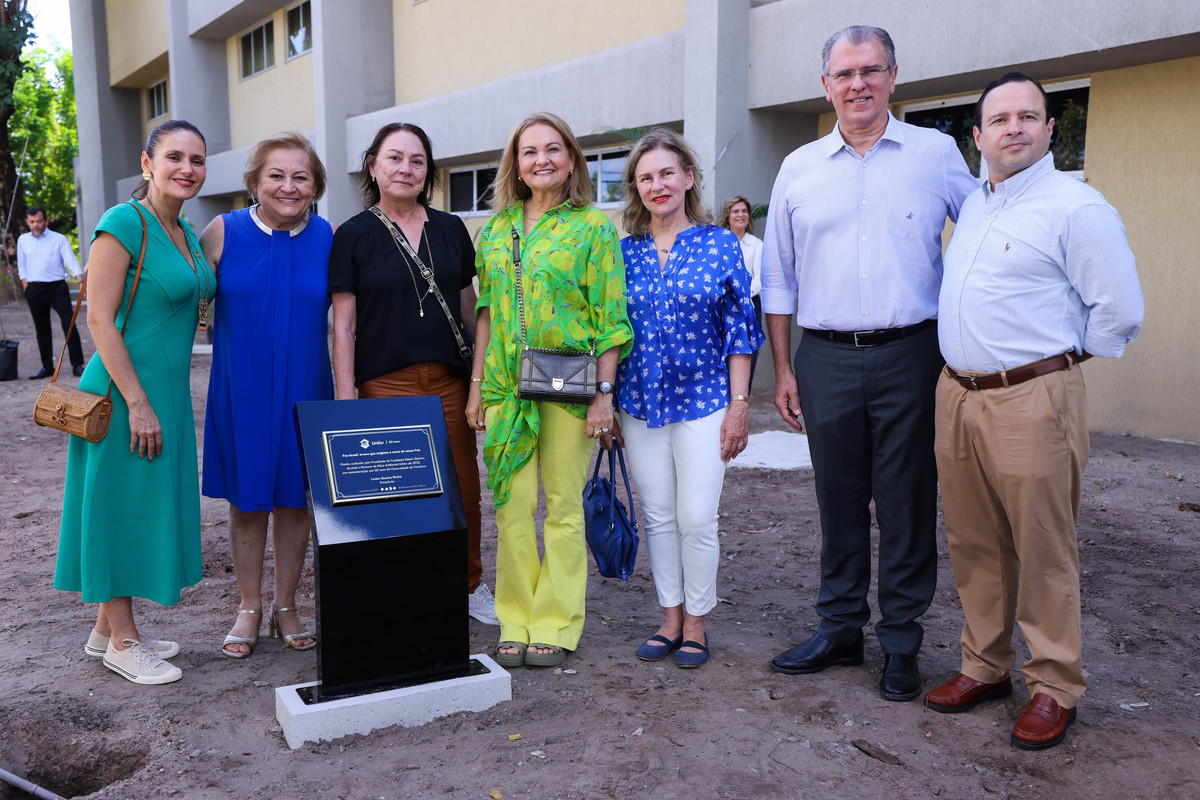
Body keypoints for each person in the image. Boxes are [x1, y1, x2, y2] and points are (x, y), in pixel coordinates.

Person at [924, 73, 1143, 749]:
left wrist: (1055, 368)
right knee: (974, 542)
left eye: (1027, 116)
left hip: (1033, 396)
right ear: (978, 136)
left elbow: (1119, 311)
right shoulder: (977, 205)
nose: (1012, 128)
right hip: (957, 394)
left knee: (1043, 546)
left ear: (1049, 130)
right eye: (999, 119)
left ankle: (1054, 684)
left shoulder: (1076, 207)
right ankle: (985, 666)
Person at [761, 25, 977, 700]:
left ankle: (903, 642)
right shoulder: (798, 168)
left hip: (913, 355)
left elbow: (984, 236)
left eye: (871, 70)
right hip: (823, 358)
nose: (859, 84)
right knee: (839, 500)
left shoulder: (936, 154)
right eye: (845, 73)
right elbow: (778, 277)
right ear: (825, 85)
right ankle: (840, 629)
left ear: (893, 77)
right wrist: (784, 369)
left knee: (908, 500)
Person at [465, 112, 632, 668]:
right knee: (511, 506)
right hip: (504, 388)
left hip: (569, 387)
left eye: (553, 149)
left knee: (562, 507)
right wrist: (476, 387)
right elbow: (486, 314)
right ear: (516, 164)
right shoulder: (496, 229)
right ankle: (514, 618)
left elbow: (611, 318)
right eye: (530, 151)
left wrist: (604, 395)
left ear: (571, 159)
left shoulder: (593, 227)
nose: (542, 159)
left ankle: (555, 621)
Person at [55, 119, 215, 685]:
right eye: (174, 157)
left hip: (163, 393)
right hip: (123, 393)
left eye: (197, 160)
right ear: (147, 163)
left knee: (138, 505)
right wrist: (138, 403)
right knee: (118, 509)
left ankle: (106, 632)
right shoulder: (124, 222)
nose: (187, 169)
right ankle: (124, 643)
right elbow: (99, 320)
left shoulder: (185, 231)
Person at [329, 122, 497, 627]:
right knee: (395, 496)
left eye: (417, 160)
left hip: (449, 383)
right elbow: (344, 326)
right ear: (373, 166)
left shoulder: (451, 229)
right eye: (395, 158)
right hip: (384, 385)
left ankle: (469, 583)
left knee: (463, 492)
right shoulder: (352, 234)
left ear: (428, 171)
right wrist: (345, 398)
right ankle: (403, 589)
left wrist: (481, 381)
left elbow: (471, 311)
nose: (406, 168)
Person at [613, 130, 763, 669]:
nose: (657, 185)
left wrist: (740, 405)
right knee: (657, 515)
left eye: (667, 173)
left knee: (696, 517)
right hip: (639, 402)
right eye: (646, 177)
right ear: (636, 187)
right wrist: (605, 400)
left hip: (705, 400)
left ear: (689, 178)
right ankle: (670, 617)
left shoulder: (720, 244)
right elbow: (611, 331)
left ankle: (697, 621)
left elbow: (740, 331)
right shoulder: (623, 252)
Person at [200, 132, 333, 657]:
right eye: (276, 175)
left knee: (295, 499)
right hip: (242, 388)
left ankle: (287, 606)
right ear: (255, 181)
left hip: (307, 386)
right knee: (248, 498)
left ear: (316, 185)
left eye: (301, 176)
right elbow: (184, 297)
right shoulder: (222, 231)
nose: (288, 186)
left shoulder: (328, 236)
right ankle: (249, 606)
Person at [17, 205, 85, 378]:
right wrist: (26, 285)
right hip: (34, 289)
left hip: (57, 287)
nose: (36, 225)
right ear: (27, 222)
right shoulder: (22, 240)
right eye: (32, 222)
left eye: (39, 221)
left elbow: (71, 260)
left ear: (46, 221)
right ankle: (47, 367)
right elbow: (21, 265)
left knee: (69, 324)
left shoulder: (59, 239)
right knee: (42, 329)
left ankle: (77, 365)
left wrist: (81, 281)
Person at [717, 196, 763, 389]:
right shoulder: (718, 242)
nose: (741, 215)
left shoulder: (757, 244)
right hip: (720, 309)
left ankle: (742, 401)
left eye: (744, 211)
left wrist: (737, 293)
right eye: (736, 211)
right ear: (727, 215)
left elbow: (760, 280)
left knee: (746, 357)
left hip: (747, 309)